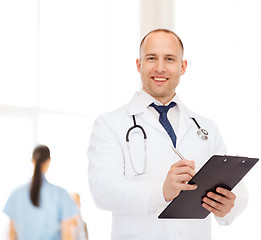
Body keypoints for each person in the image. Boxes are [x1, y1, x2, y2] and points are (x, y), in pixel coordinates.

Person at [88, 28, 249, 239]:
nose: (160, 68)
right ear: (139, 65)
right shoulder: (110, 124)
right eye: (152, 58)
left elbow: (238, 187)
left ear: (183, 67)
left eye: (170, 59)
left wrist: (231, 203)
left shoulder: (206, 128)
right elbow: (103, 191)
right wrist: (162, 192)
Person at [3, 145, 78, 240]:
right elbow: (67, 235)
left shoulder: (16, 194)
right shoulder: (61, 194)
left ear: (32, 161)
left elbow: (12, 234)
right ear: (49, 161)